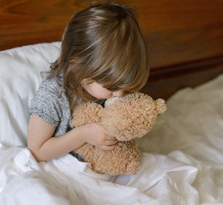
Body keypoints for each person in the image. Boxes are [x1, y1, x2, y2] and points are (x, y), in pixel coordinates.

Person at [27, 2, 149, 162]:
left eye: (126, 85)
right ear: (77, 66)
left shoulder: (115, 91)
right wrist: (83, 134)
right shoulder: (53, 96)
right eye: (112, 86)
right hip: (64, 167)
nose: (119, 94)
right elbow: (37, 150)